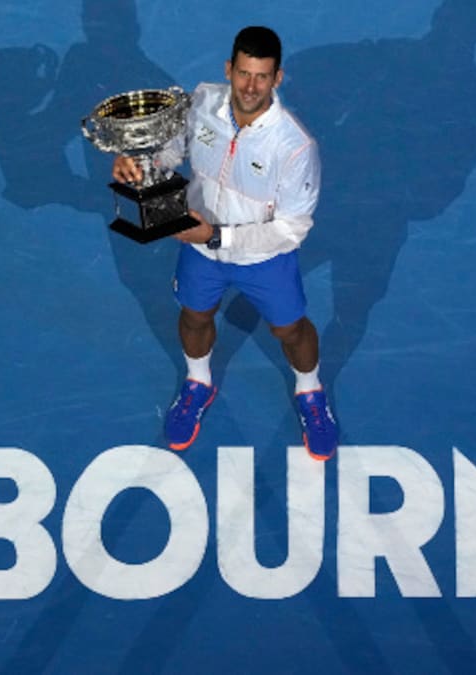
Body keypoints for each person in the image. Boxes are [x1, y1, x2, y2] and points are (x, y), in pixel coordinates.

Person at [112, 26, 338, 460]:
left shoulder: (294, 146)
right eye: (243, 74)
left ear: (278, 79)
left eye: (262, 77)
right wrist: (141, 163)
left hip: (263, 257)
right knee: (195, 317)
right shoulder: (202, 102)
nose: (251, 87)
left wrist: (219, 235)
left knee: (290, 330)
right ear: (228, 70)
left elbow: (293, 228)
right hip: (200, 250)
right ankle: (199, 382)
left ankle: (310, 393)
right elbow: (172, 151)